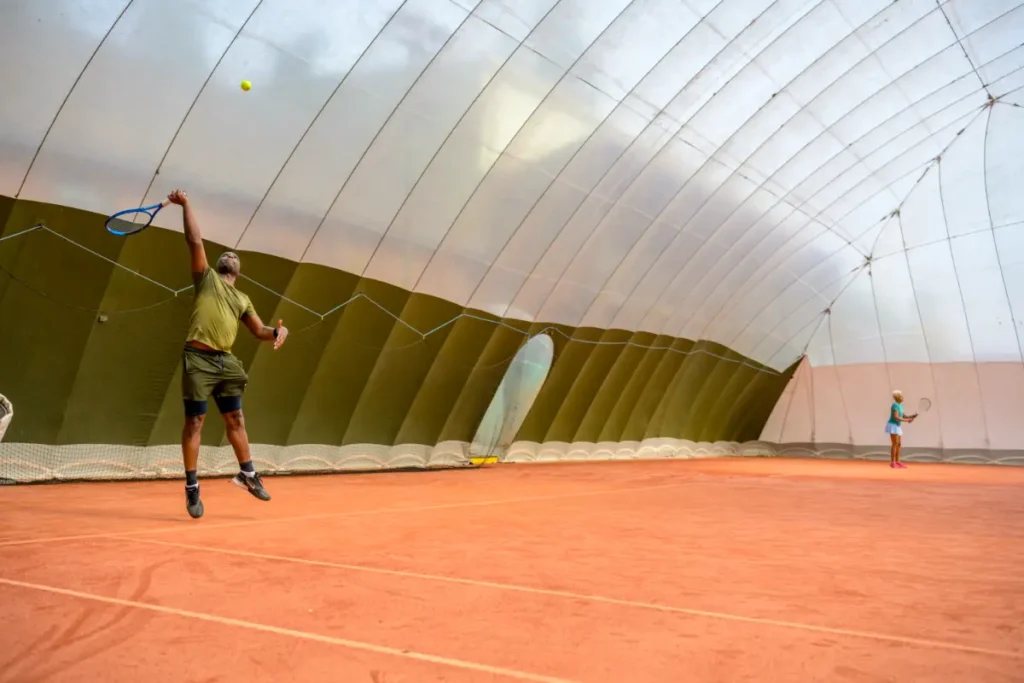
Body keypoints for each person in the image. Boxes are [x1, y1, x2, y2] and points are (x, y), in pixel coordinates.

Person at [168, 189, 289, 518]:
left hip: (225, 362)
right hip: (198, 358)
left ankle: (247, 474)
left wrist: (278, 332)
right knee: (195, 421)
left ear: (238, 271)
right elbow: (194, 241)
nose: (231, 255)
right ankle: (192, 487)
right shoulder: (206, 278)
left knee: (235, 418)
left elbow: (260, 330)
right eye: (228, 254)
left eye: (236, 255)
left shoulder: (242, 299)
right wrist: (187, 204)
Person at [885, 389, 914, 469]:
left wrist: (909, 417)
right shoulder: (894, 405)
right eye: (901, 396)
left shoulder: (900, 405)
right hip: (892, 425)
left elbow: (902, 415)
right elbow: (896, 417)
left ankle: (898, 461)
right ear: (897, 397)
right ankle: (893, 462)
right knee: (895, 444)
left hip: (897, 426)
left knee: (899, 444)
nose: (902, 397)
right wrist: (907, 420)